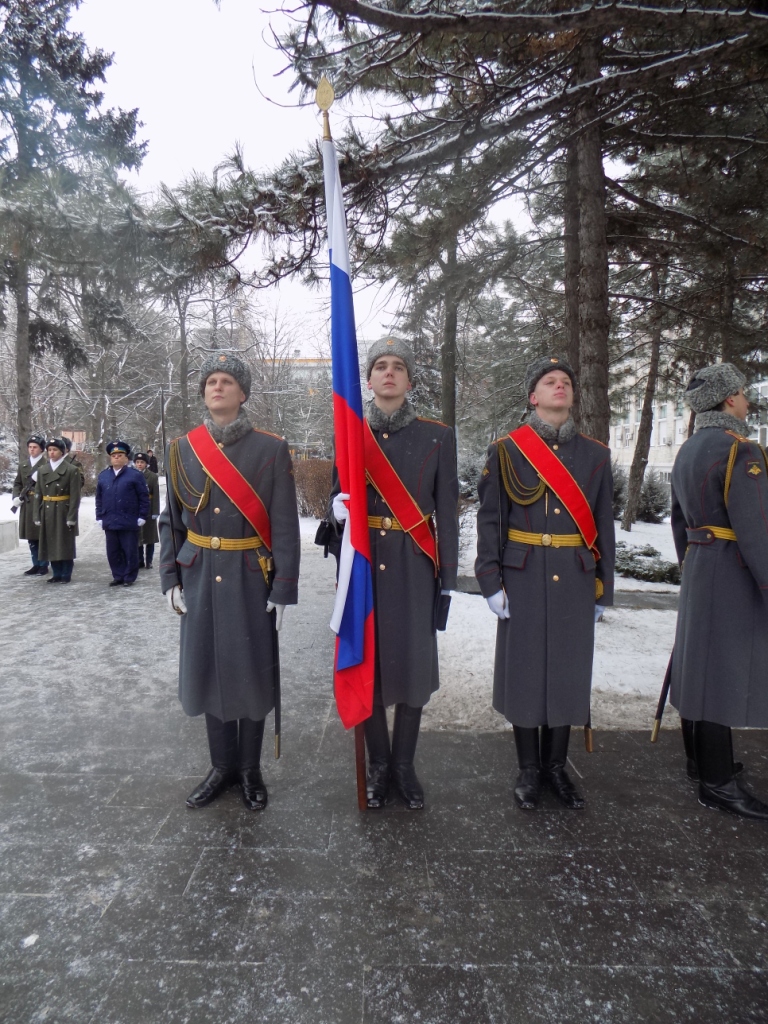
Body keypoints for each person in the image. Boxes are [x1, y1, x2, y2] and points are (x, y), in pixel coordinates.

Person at [158, 352, 300, 811]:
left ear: (243, 393)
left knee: (252, 672)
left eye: (226, 381)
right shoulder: (181, 448)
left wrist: (283, 587)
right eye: (210, 382)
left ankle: (250, 770)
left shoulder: (271, 448)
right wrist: (170, 577)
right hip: (199, 575)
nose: (217, 387)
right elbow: (171, 521)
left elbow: (284, 525)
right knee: (209, 670)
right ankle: (221, 767)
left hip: (251, 577)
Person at [475, 356, 615, 811]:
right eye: (549, 381)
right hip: (523, 574)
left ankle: (556, 767)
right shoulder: (507, 450)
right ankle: (529, 769)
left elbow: (604, 526)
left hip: (575, 576)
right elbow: (491, 520)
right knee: (525, 671)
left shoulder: (595, 455)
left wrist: (604, 587)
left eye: (566, 381)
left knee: (567, 672)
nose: (560, 386)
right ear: (533, 397)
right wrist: (490, 580)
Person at [330, 337, 459, 810]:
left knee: (412, 670)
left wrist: (447, 581)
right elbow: (336, 502)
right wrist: (335, 511)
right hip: (364, 568)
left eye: (398, 366)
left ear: (408, 380)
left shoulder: (437, 437)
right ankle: (379, 765)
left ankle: (404, 765)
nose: (389, 373)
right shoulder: (350, 432)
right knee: (367, 665)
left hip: (414, 566)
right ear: (367, 380)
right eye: (380, 366)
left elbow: (447, 513)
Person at [669, 363, 768, 820]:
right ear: (729, 399)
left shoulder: (689, 448)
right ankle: (717, 784)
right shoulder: (740, 449)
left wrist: (692, 563)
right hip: (732, 568)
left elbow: (678, 520)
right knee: (721, 672)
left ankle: (702, 762)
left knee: (699, 666)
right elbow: (757, 528)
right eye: (743, 393)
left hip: (700, 564)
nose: (746, 401)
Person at [95, 440, 150, 587]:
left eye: (120, 455)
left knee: (129, 550)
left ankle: (129, 576)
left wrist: (142, 515)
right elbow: (99, 498)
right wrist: (99, 516)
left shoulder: (135, 475)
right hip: (110, 519)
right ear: (110, 458)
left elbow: (143, 497)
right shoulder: (104, 476)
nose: (116, 458)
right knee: (113, 551)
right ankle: (118, 575)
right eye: (114, 456)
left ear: (126, 458)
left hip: (129, 519)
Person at [33, 437, 81, 584]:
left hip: (63, 510)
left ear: (62, 452)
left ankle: (66, 573)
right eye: (49, 450)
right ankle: (56, 573)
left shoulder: (71, 470)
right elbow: (38, 493)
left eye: (55, 450)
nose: (51, 453)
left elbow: (75, 496)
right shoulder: (42, 470)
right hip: (47, 509)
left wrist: (72, 516)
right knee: (50, 542)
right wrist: (36, 514)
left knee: (64, 543)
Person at [11, 434, 49, 576]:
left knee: (42, 536)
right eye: (30, 447)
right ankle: (35, 564)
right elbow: (17, 483)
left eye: (35, 447)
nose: (32, 449)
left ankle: (44, 564)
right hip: (27, 503)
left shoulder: (47, 464)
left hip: (41, 503)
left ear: (41, 449)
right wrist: (16, 497)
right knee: (31, 536)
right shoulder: (23, 465)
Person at [133, 452, 159, 568]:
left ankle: (149, 561)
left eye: (142, 462)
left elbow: (156, 495)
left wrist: (155, 511)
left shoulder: (152, 477)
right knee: (138, 537)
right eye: (137, 462)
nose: (139, 464)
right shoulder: (131, 475)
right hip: (136, 510)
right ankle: (139, 560)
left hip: (149, 509)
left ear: (146, 464)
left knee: (150, 537)